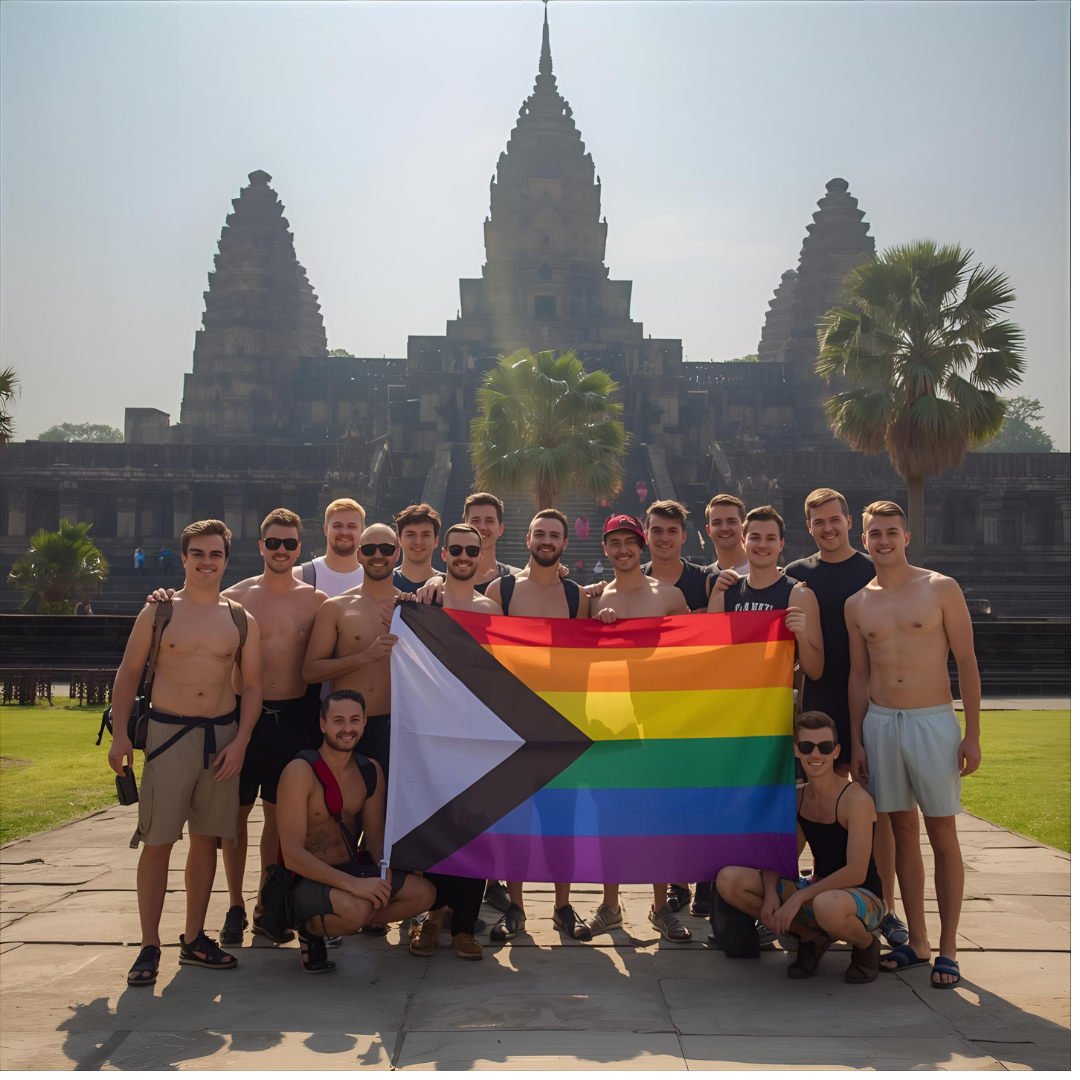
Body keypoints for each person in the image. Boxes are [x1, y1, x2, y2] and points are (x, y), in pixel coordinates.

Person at [108, 520, 262, 987]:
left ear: (226, 560)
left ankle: (194, 937)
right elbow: (128, 674)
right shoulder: (158, 613)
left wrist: (242, 741)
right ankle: (149, 944)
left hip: (221, 738)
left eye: (215, 554)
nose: (206, 561)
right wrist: (119, 736)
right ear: (183, 558)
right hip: (169, 735)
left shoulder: (239, 618)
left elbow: (252, 686)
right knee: (157, 842)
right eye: (197, 553)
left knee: (207, 841)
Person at [846, 501, 981, 989]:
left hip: (932, 721)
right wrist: (858, 739)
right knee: (901, 830)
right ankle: (918, 940)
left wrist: (972, 733)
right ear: (864, 540)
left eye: (891, 532)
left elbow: (966, 662)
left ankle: (948, 948)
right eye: (874, 533)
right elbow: (859, 674)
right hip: (881, 722)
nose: (883, 540)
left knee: (941, 832)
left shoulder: (939, 587)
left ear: (906, 537)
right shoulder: (858, 603)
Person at [784, 488, 907, 948]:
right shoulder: (797, 576)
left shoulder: (871, 569)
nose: (828, 528)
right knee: (816, 804)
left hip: (871, 703)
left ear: (849, 521)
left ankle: (886, 906)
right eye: (818, 522)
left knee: (876, 811)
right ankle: (817, 896)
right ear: (809, 527)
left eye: (834, 520)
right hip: (818, 702)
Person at [214, 509, 328, 948]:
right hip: (246, 717)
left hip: (296, 716)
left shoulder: (315, 602)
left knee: (280, 819)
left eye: (290, 544)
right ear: (260, 546)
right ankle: (235, 904)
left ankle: (267, 903)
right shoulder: (234, 598)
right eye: (274, 543)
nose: (282, 550)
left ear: (300, 548)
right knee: (234, 816)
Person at [480, 509, 592, 942]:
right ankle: (516, 908)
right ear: (527, 539)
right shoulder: (501, 589)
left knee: (562, 826)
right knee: (515, 828)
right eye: (540, 534)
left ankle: (563, 906)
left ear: (565, 544)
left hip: (560, 727)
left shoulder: (576, 595)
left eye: (555, 536)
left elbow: (586, 657)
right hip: (511, 728)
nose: (547, 541)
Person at [713, 711, 884, 984]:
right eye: (807, 747)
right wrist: (770, 893)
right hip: (819, 890)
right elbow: (782, 856)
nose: (816, 754)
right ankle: (811, 938)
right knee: (730, 879)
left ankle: (866, 946)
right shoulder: (798, 797)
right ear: (796, 749)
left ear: (836, 751)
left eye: (824, 747)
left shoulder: (856, 800)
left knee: (826, 904)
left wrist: (797, 898)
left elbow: (856, 872)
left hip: (863, 896)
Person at [276, 689, 436, 973]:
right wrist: (355, 886)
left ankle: (353, 912)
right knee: (357, 909)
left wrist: (384, 872)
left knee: (424, 893)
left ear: (364, 723)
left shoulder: (370, 770)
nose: (347, 729)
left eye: (354, 720)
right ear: (323, 724)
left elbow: (375, 842)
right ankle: (311, 930)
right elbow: (292, 855)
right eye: (338, 721)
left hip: (351, 868)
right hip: (306, 878)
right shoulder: (299, 771)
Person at [588, 513, 692, 943]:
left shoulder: (669, 596)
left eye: (630, 542)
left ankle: (660, 905)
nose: (623, 550)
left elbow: (696, 650)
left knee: (659, 813)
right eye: (615, 543)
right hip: (610, 715)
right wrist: (598, 625)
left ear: (642, 545)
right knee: (610, 813)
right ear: (605, 549)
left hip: (660, 716)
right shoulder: (592, 599)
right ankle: (610, 906)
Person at [408, 524, 499, 961]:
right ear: (444, 553)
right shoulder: (427, 600)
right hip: (430, 731)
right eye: (457, 549)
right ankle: (432, 916)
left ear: (482, 555)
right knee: (433, 827)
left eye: (472, 550)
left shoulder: (489, 609)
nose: (464, 556)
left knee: (473, 830)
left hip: (474, 731)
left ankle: (465, 925)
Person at [303, 522, 401, 778]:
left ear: (397, 554)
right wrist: (364, 656)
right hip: (346, 726)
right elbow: (311, 672)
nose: (377, 555)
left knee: (388, 814)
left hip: (396, 726)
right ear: (358, 554)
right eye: (369, 549)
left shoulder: (411, 609)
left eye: (386, 548)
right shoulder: (336, 608)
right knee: (341, 809)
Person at [706, 506, 825, 686]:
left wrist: (802, 638)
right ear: (743, 541)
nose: (762, 545)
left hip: (774, 705)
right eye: (755, 537)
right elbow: (711, 656)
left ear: (781, 544)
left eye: (770, 538)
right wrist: (715, 594)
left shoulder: (799, 594)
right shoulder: (725, 590)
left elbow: (815, 671)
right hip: (733, 701)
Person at [641, 500, 712, 612]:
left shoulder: (705, 580)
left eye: (672, 531)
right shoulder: (634, 579)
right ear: (646, 536)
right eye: (657, 531)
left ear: (683, 536)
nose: (665, 538)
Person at [294, 498, 366, 595]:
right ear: (326, 530)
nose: (344, 532)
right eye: (337, 526)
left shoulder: (373, 581)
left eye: (352, 526)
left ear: (362, 531)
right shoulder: (299, 577)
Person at [463, 492, 521, 592]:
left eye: (489, 521)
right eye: (475, 521)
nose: (482, 527)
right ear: (464, 527)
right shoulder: (445, 586)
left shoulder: (517, 581)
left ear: (501, 529)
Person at [393, 503, 443, 593]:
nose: (418, 542)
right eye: (410, 534)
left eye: (425, 535)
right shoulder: (384, 583)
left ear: (436, 541)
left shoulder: (447, 586)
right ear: (399, 539)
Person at [703, 494, 750, 577]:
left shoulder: (764, 572)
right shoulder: (704, 577)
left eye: (731, 521)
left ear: (743, 527)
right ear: (708, 530)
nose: (724, 528)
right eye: (717, 523)